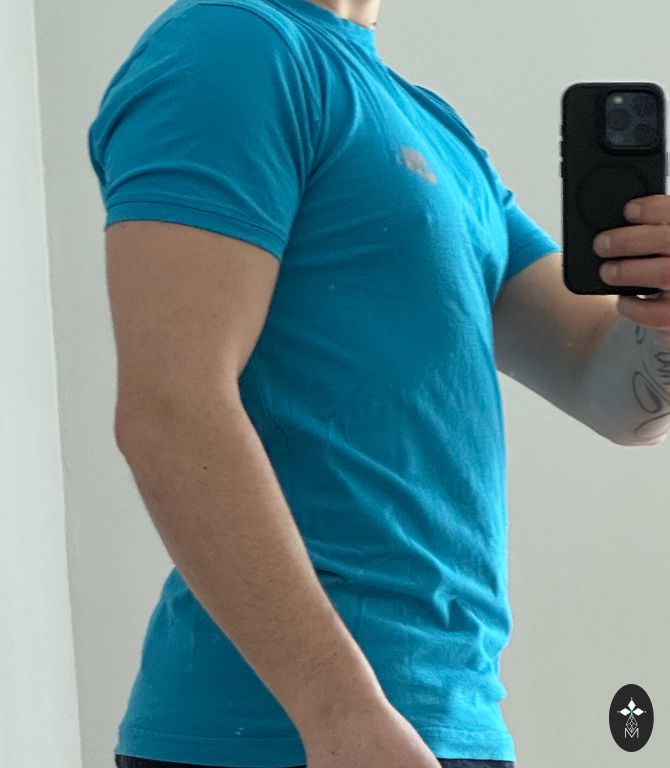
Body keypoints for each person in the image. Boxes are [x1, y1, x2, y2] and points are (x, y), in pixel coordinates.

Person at [87, 1, 670, 767]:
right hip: (289, 735)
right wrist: (338, 712)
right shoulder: (233, 45)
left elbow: (612, 392)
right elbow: (170, 409)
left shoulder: (435, 130)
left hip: (438, 722)